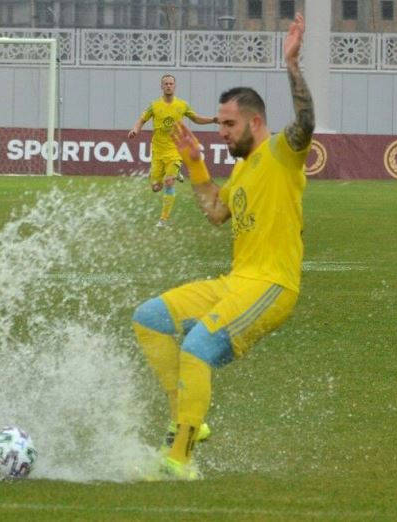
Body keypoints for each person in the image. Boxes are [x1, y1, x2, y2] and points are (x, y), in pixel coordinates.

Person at [132, 12, 314, 480]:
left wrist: (292, 64)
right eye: (220, 126)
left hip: (272, 286)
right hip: (236, 283)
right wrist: (194, 162)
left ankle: (181, 456)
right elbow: (215, 211)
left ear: (256, 122)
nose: (222, 132)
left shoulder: (281, 153)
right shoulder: (240, 170)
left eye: (229, 125)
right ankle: (186, 421)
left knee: (197, 347)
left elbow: (306, 121)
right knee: (150, 318)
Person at [128, 74, 216, 228]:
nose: (168, 86)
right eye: (166, 84)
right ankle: (173, 174)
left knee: (169, 182)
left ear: (175, 86)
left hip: (175, 150)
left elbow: (196, 118)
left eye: (171, 83)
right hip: (157, 150)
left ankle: (163, 219)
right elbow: (142, 120)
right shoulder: (154, 105)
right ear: (161, 86)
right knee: (156, 187)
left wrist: (213, 119)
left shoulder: (182, 105)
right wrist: (135, 129)